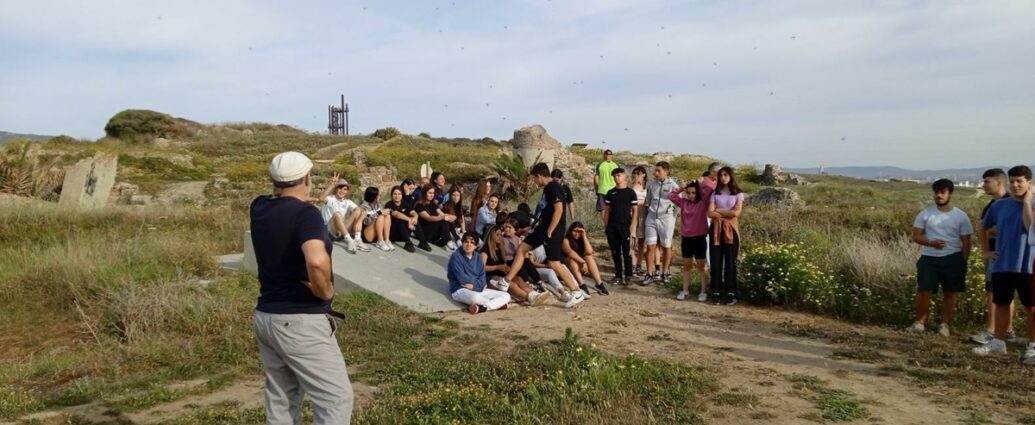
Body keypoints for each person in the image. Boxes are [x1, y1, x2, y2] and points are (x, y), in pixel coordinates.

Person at [250, 151, 353, 424]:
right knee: (335, 399)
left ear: (273, 180)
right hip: (300, 320)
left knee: (282, 398)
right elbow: (317, 262)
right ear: (307, 177)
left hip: (267, 317)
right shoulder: (305, 215)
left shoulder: (259, 207)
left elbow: (287, 202)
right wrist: (326, 291)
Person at [498, 163, 587, 308]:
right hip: (541, 229)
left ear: (539, 175)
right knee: (522, 248)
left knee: (554, 263)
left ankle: (576, 291)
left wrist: (551, 230)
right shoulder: (547, 188)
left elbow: (559, 209)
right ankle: (506, 281)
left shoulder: (553, 187)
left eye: (534, 178)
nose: (534, 181)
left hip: (552, 231)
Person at [972, 165, 1035, 365]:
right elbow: (982, 227)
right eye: (1013, 181)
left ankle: (1033, 346)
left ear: (1029, 183)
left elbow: (1029, 227)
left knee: (1031, 306)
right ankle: (998, 342)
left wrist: (1026, 202)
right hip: (1002, 264)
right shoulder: (999, 206)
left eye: (1020, 181)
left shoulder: (1033, 203)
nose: (1015, 185)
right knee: (1001, 303)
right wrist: (986, 251)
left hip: (1028, 265)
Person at [906, 179, 973, 336]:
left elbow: (966, 241)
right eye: (936, 192)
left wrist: (963, 261)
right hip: (929, 258)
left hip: (953, 258)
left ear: (950, 194)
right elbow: (916, 236)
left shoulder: (960, 216)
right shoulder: (925, 214)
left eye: (943, 192)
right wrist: (931, 242)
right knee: (924, 291)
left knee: (950, 293)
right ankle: (919, 323)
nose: (939, 196)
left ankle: (944, 324)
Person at [970, 169, 1017, 344]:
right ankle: (1007, 330)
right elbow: (985, 229)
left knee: (995, 292)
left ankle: (992, 330)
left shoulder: (1010, 203)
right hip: (993, 253)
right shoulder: (991, 205)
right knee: (997, 291)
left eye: (987, 181)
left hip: (1003, 255)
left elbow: (1007, 229)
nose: (983, 185)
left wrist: (993, 231)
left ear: (999, 182)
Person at [482, 224, 550, 306]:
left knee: (518, 279)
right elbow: (482, 268)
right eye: (497, 235)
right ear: (491, 236)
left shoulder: (499, 249)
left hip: (499, 275)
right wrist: (497, 267)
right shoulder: (485, 251)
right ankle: (529, 297)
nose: (500, 237)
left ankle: (533, 293)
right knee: (511, 284)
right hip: (489, 278)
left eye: (500, 234)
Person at [448, 232, 511, 314]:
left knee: (506, 296)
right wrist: (477, 285)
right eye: (466, 242)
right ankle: (496, 305)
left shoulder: (478, 257)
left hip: (478, 288)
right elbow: (462, 278)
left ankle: (483, 307)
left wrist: (475, 286)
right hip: (460, 289)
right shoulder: (456, 256)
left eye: (472, 243)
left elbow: (482, 278)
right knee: (475, 297)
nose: (468, 245)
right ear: (462, 243)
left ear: (476, 245)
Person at [670, 179, 712, 301]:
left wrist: (698, 183)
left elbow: (708, 190)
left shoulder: (703, 203)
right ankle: (685, 290)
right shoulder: (683, 202)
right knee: (687, 265)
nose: (691, 195)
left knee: (701, 266)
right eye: (689, 193)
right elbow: (671, 196)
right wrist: (682, 188)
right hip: (686, 238)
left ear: (697, 193)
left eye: (694, 193)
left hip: (699, 238)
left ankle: (703, 291)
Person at [707, 166, 744, 305]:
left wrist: (719, 211)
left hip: (731, 230)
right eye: (721, 175)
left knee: (730, 261)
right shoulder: (715, 193)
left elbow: (736, 213)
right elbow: (709, 213)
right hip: (716, 229)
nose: (723, 178)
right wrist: (726, 212)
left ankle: (731, 291)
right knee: (715, 260)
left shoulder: (738, 193)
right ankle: (715, 290)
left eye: (726, 175)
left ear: (731, 176)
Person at [642, 161, 679, 285]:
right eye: (655, 171)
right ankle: (649, 273)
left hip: (667, 218)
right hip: (652, 217)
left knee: (666, 246)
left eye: (659, 171)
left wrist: (671, 216)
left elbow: (679, 204)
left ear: (666, 171)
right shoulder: (652, 185)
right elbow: (648, 201)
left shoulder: (674, 186)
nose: (656, 173)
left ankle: (665, 272)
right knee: (650, 246)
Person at [603, 167, 638, 286]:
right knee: (615, 252)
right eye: (614, 176)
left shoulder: (630, 192)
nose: (616, 178)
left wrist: (632, 227)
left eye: (618, 175)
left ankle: (628, 276)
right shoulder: (610, 192)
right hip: (612, 226)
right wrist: (606, 226)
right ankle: (618, 275)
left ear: (624, 176)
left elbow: (635, 211)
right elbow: (607, 211)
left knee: (627, 252)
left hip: (625, 226)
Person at [319, 174, 369, 254]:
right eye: (340, 188)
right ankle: (350, 240)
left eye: (345, 189)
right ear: (336, 189)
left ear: (347, 191)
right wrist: (331, 185)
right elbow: (321, 198)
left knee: (358, 211)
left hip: (340, 232)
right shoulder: (331, 199)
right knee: (337, 214)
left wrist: (360, 220)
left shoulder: (347, 202)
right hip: (329, 231)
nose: (342, 191)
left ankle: (357, 239)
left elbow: (362, 211)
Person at [563, 222, 610, 295]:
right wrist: (583, 262)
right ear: (570, 231)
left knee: (589, 257)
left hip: (580, 267)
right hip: (568, 267)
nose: (577, 234)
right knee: (572, 259)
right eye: (575, 231)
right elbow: (570, 252)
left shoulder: (582, 239)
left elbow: (589, 252)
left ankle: (599, 284)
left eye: (579, 232)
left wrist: (584, 236)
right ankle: (582, 285)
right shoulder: (565, 240)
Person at [385, 185, 432, 253]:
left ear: (402, 195)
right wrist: (409, 219)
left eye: (399, 194)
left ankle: (422, 241)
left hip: (405, 231)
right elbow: (397, 214)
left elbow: (413, 212)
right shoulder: (389, 204)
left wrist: (415, 217)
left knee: (414, 219)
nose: (397, 196)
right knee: (400, 220)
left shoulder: (404, 203)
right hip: (393, 233)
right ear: (391, 195)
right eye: (395, 194)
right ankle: (408, 243)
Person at [416, 185, 459, 250]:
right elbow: (428, 218)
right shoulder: (419, 205)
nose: (432, 195)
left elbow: (442, 214)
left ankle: (458, 239)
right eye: (429, 193)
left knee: (446, 219)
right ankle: (448, 241)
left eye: (433, 193)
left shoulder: (433, 205)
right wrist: (443, 217)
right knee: (443, 219)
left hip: (434, 230)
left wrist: (451, 217)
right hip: (426, 232)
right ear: (424, 193)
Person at [359, 187, 394, 252]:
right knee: (380, 216)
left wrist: (387, 211)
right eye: (378, 195)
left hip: (376, 232)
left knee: (387, 216)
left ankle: (386, 240)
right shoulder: (363, 206)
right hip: (366, 234)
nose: (380, 196)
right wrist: (379, 213)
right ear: (374, 196)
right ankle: (380, 241)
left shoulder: (378, 204)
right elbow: (365, 222)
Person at [630, 166, 649, 276]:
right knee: (633, 240)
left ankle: (638, 265)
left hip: (645, 215)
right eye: (635, 173)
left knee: (641, 241)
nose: (637, 175)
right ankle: (633, 264)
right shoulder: (632, 187)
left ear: (644, 174)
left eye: (639, 173)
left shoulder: (648, 187)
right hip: (634, 214)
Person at [593, 149, 620, 225]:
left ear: (604, 156)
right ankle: (613, 223)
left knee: (603, 208)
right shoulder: (615, 165)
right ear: (612, 156)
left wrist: (596, 189)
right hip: (614, 189)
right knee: (614, 207)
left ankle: (605, 225)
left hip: (602, 189)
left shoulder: (600, 165)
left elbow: (596, 178)